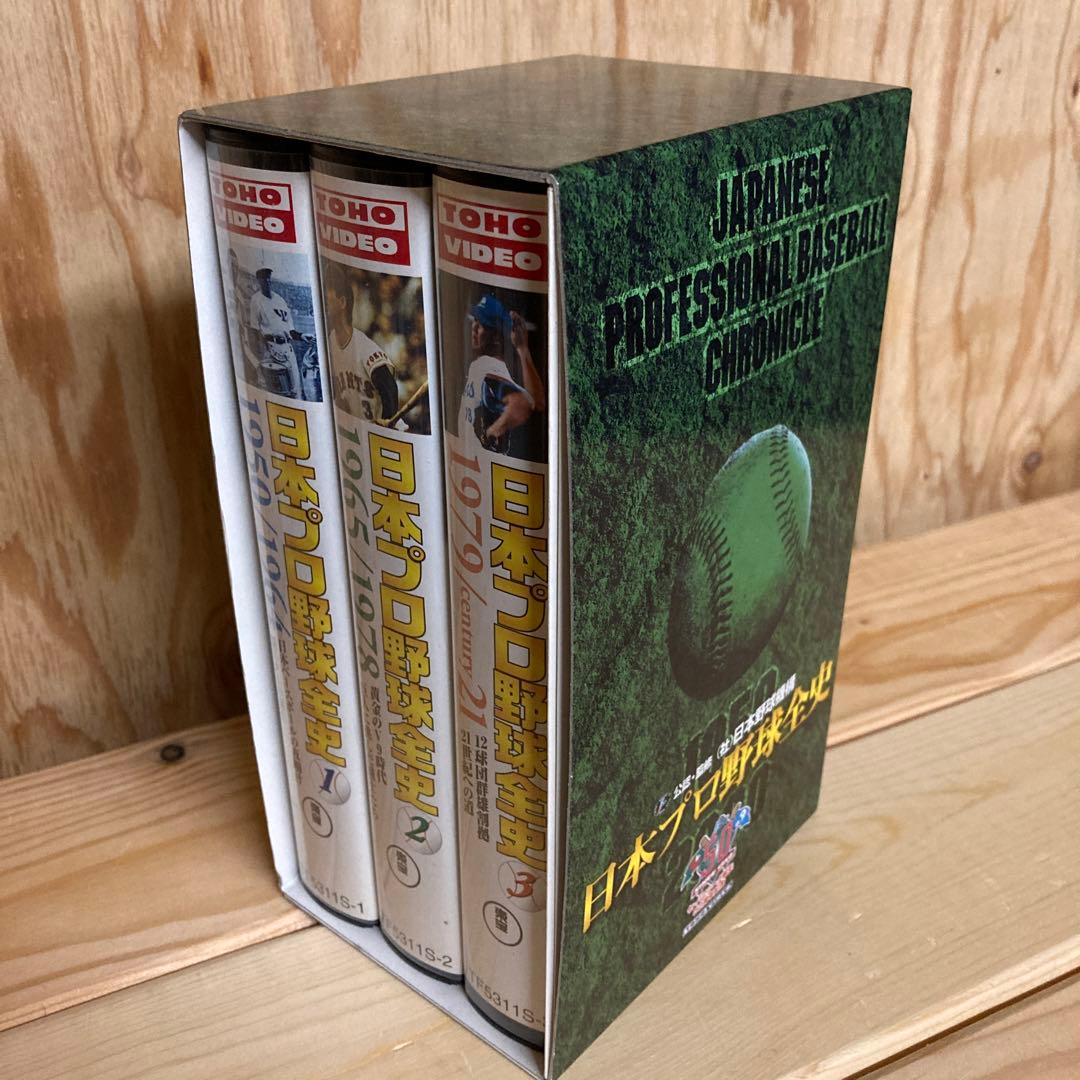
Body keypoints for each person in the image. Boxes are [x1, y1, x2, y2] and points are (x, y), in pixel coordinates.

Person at [459, 293, 545, 457]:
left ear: (496, 337)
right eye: (475, 320)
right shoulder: (484, 366)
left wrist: (492, 432)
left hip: (482, 462)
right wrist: (522, 348)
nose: (474, 327)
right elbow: (538, 402)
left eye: (482, 324)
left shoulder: (489, 366)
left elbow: (522, 403)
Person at [322, 261, 402, 427]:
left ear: (342, 302)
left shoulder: (365, 349)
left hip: (389, 433)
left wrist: (386, 428)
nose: (324, 304)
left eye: (328, 299)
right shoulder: (331, 340)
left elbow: (390, 389)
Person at [248, 267, 304, 398]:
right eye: (263, 278)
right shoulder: (256, 300)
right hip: (270, 348)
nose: (267, 281)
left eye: (268, 277)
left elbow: (290, 330)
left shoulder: (280, 300)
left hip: (287, 349)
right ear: (258, 280)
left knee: (295, 390)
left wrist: (302, 336)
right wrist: (259, 355)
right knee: (274, 391)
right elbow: (254, 330)